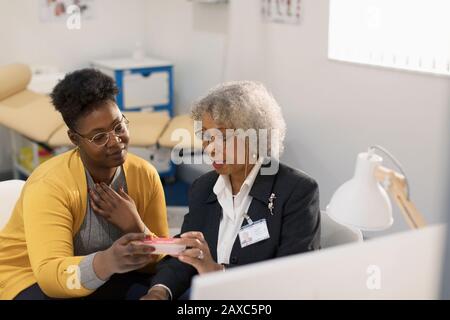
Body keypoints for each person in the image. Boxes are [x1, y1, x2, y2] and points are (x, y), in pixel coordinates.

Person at [141, 81, 321, 300]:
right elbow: (186, 254)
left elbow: (290, 279)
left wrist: (216, 272)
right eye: (207, 136)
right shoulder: (203, 188)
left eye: (223, 137)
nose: (211, 148)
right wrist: (159, 291)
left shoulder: (296, 191)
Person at [0, 69, 169, 300]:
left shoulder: (144, 175)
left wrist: (136, 227)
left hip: (107, 274)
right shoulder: (49, 185)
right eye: (99, 137)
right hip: (29, 275)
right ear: (74, 139)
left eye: (119, 126)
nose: (116, 141)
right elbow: (50, 276)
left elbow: (160, 262)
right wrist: (107, 261)